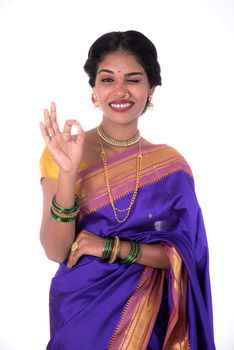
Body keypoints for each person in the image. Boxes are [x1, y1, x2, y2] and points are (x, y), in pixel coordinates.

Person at [39, 30, 216, 349]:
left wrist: (110, 248)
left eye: (133, 79)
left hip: (151, 321)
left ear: (150, 89)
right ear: (94, 89)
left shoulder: (171, 166)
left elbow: (184, 256)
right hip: (81, 311)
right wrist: (67, 173)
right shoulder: (64, 151)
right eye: (107, 80)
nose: (120, 91)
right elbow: (56, 251)